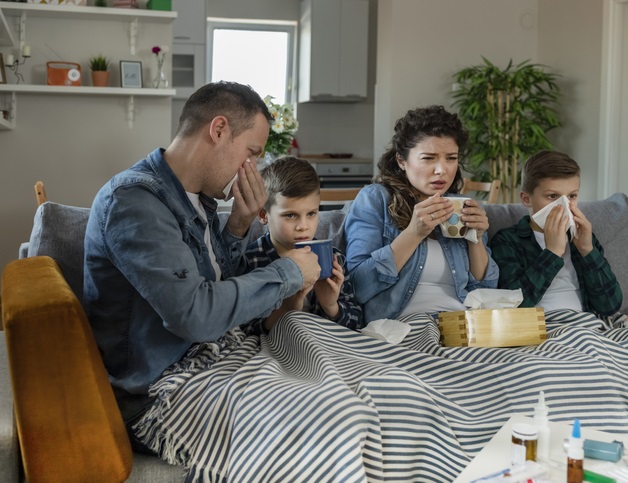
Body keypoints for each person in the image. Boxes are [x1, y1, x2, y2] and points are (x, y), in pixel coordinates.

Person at [83, 81, 321, 448]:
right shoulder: (133, 201)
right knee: (319, 421)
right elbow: (196, 314)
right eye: (252, 153)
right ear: (219, 129)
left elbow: (215, 283)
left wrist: (239, 224)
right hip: (157, 393)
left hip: (209, 362)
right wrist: (289, 272)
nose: (253, 168)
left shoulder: (194, 198)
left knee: (344, 384)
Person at [344, 105, 499, 323]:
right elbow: (357, 287)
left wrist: (476, 239)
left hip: (463, 326)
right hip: (401, 327)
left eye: (451, 158)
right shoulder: (375, 199)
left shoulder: (461, 206)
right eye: (428, 158)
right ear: (401, 160)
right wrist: (414, 233)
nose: (441, 170)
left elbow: (485, 289)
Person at [489, 150, 622, 315]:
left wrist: (588, 251)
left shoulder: (582, 238)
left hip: (587, 324)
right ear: (526, 199)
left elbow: (610, 306)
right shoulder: (508, 241)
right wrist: (552, 252)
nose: (564, 205)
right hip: (543, 327)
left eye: (572, 196)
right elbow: (513, 307)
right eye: (553, 196)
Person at [243, 156, 364, 333]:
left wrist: (331, 306)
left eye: (311, 214)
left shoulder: (333, 258)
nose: (303, 226)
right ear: (263, 215)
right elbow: (242, 328)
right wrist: (284, 311)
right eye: (290, 215)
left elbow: (357, 322)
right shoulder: (250, 261)